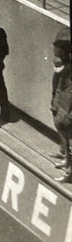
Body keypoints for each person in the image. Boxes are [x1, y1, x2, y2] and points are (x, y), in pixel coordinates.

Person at [50, 27, 72, 182]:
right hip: (61, 106)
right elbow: (56, 87)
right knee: (63, 136)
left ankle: (69, 174)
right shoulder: (61, 74)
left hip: (68, 110)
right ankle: (66, 159)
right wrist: (54, 103)